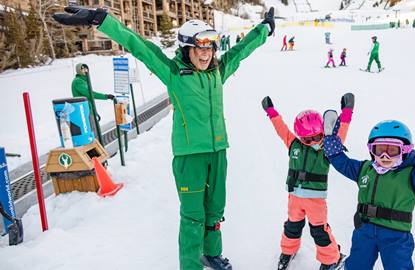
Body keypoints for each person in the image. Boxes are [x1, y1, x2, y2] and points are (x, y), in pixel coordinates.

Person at [53, 6, 276, 270]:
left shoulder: (218, 72)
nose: (206, 54)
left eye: (210, 48)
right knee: (193, 217)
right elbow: (138, 45)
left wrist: (265, 28)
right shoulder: (174, 74)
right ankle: (190, 265)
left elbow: (242, 50)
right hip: (189, 157)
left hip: (218, 153)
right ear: (186, 49)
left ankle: (212, 253)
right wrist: (101, 19)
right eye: (199, 48)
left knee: (215, 210)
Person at [322, 112, 415, 270]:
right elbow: (342, 162)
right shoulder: (364, 169)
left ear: (405, 150)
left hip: (396, 236)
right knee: (356, 265)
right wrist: (330, 140)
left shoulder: (412, 175)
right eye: (379, 149)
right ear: (371, 150)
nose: (385, 155)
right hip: (365, 231)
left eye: (393, 150)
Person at [261, 93, 355, 270]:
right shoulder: (294, 145)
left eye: (316, 137)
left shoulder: (327, 148)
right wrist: (271, 112)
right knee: (292, 227)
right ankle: (288, 251)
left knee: (319, 231)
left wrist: (347, 111)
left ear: (322, 132)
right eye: (306, 139)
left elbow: (341, 133)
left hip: (316, 201)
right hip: (294, 199)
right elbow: (281, 129)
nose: (312, 142)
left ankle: (331, 259)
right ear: (300, 137)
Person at [71, 63, 115, 137]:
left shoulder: (84, 80)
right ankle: (96, 146)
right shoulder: (78, 81)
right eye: (83, 69)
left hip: (89, 108)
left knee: (95, 129)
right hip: (85, 110)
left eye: (86, 69)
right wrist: (106, 96)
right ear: (79, 70)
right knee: (93, 130)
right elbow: (90, 94)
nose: (85, 70)